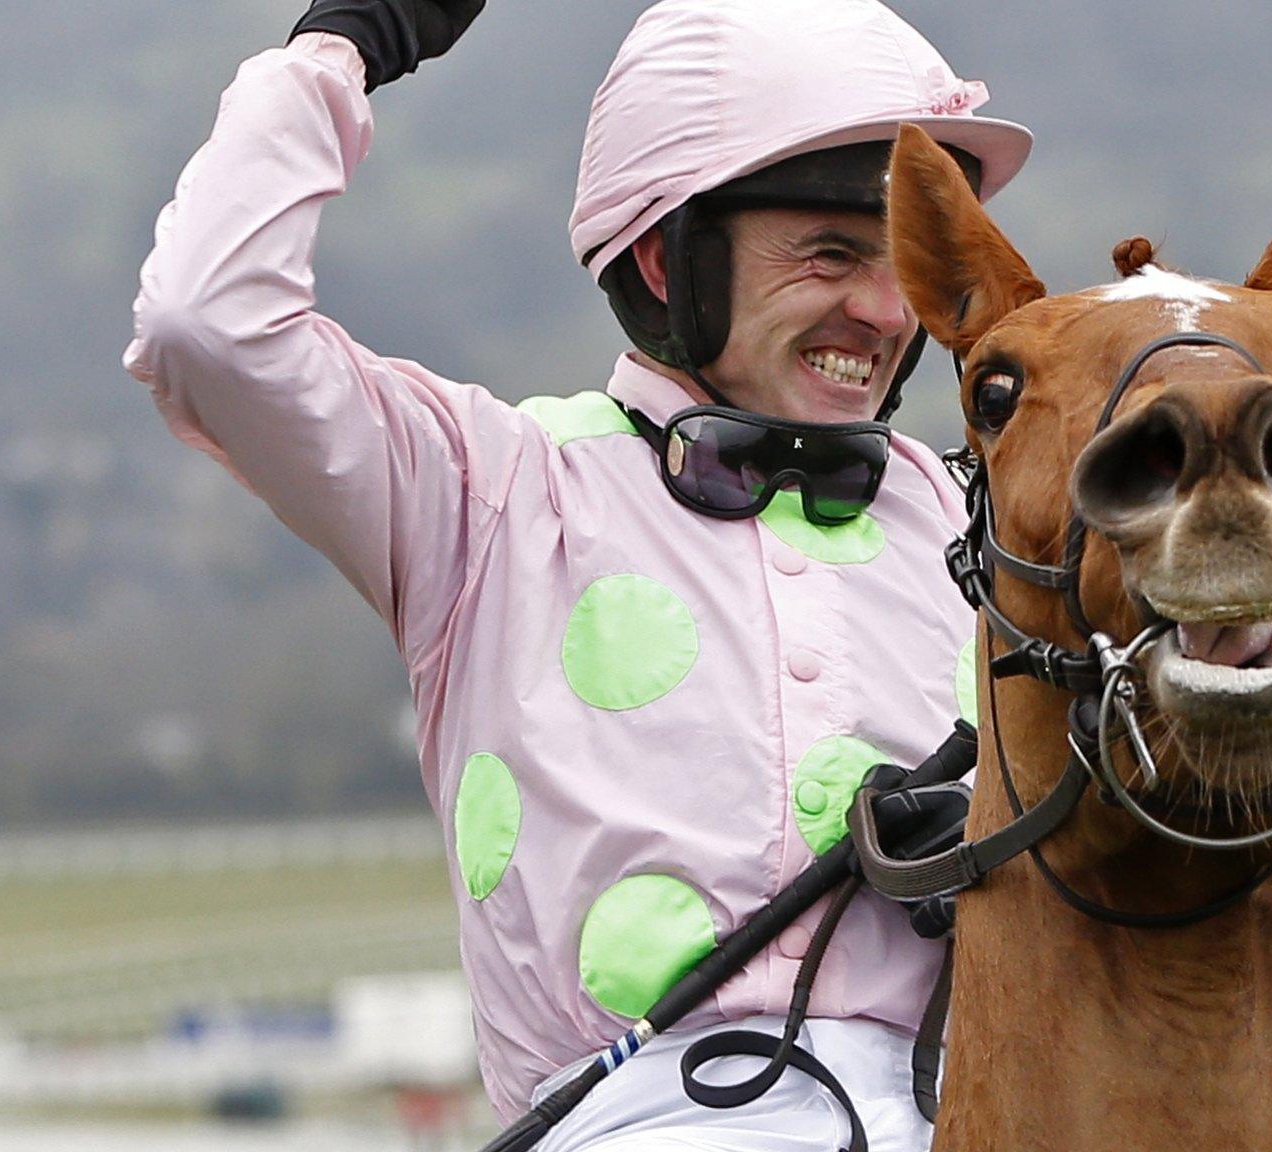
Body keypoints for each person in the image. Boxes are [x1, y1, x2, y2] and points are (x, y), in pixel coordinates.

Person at [121, 1, 1032, 1148]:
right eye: (830, 254)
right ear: (667, 257)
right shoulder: (487, 492)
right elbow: (205, 326)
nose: (887, 310)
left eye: (905, 263)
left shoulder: (987, 526)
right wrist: (338, 49)